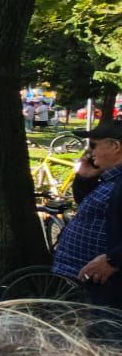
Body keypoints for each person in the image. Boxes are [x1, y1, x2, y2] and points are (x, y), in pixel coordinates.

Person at [52, 121, 122, 306]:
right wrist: (84, 177)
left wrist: (113, 261)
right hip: (93, 280)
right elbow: (85, 203)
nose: (90, 152)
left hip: (111, 285)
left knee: (107, 332)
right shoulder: (111, 177)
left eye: (93, 145)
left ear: (115, 146)